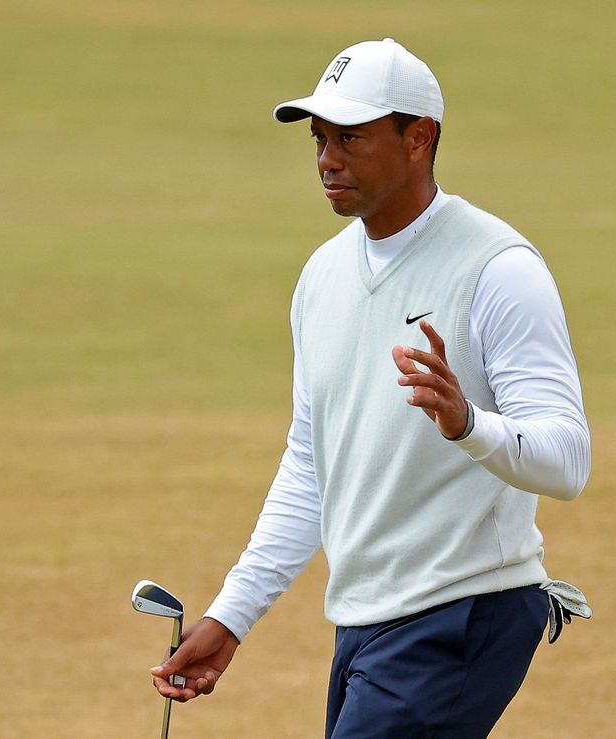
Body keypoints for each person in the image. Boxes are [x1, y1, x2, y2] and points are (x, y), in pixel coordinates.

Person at [149, 38, 592, 737]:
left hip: (463, 610)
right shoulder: (321, 277)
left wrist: (467, 423)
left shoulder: (499, 269)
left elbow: (567, 462)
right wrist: (232, 614)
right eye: (320, 139)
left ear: (419, 138)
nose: (327, 158)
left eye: (350, 138)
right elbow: (310, 462)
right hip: (365, 620)